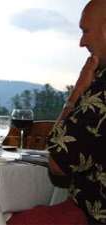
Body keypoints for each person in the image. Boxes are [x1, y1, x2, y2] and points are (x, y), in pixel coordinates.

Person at [48, 0, 106, 224]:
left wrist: (77, 93)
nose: (82, 42)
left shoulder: (100, 94)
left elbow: (57, 163)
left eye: (85, 31)